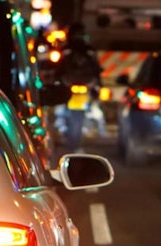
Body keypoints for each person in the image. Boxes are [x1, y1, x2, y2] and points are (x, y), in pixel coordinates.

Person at [56, 22, 102, 152]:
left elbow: (96, 70)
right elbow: (57, 69)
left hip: (80, 86)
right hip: (70, 86)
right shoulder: (68, 50)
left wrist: (96, 86)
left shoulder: (85, 51)